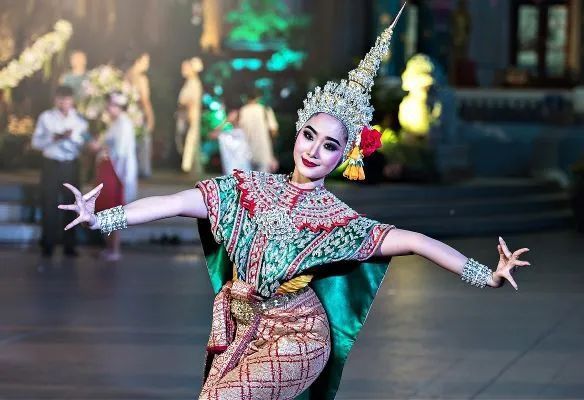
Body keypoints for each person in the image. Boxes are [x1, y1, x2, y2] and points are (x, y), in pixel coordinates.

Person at [58, 7, 531, 399]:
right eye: (309, 135)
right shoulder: (245, 190)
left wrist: (485, 275)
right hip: (241, 325)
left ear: (345, 156)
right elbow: (177, 202)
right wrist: (103, 217)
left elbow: (415, 241)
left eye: (329, 145)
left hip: (300, 337)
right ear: (298, 133)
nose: (313, 150)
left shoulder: (340, 222)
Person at [32, 85, 89, 259]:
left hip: (70, 165)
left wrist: (71, 137)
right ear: (55, 99)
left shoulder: (80, 121)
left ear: (72, 101)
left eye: (67, 99)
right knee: (49, 203)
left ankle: (69, 245)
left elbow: (84, 143)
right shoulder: (46, 117)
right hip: (51, 164)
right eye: (60, 99)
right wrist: (53, 138)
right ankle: (47, 244)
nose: (64, 102)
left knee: (72, 204)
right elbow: (35, 143)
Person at [90, 92, 138, 261]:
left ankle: (115, 248)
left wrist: (101, 147)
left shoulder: (124, 124)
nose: (108, 108)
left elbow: (121, 151)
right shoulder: (116, 123)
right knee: (106, 205)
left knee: (113, 206)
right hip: (109, 168)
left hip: (115, 170)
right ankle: (109, 247)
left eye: (110, 105)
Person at [125, 52, 155, 178]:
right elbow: (144, 100)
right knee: (143, 142)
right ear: (137, 61)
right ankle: (142, 172)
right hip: (138, 115)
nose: (147, 65)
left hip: (126, 115)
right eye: (145, 61)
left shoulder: (125, 75)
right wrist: (151, 117)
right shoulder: (142, 78)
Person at [238, 88, 279, 172]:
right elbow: (274, 131)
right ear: (259, 97)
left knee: (247, 181)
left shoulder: (242, 111)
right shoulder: (265, 110)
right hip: (263, 152)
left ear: (246, 98)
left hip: (245, 153)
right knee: (262, 181)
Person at [177, 57, 204, 178]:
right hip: (184, 115)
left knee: (190, 141)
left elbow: (193, 103)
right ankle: (190, 169)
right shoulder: (189, 82)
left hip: (190, 116)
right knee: (185, 141)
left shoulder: (194, 83)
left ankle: (188, 168)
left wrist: (191, 118)